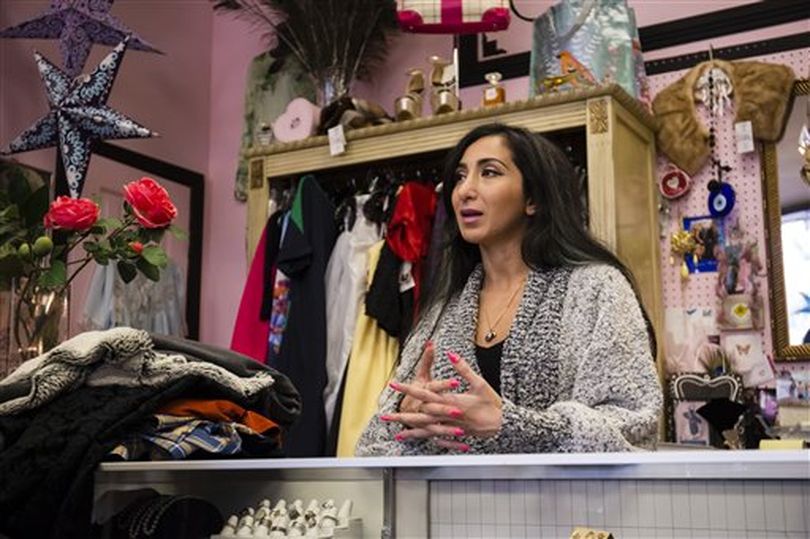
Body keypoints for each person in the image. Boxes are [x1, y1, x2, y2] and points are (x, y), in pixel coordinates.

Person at [355, 123, 662, 456]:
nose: (464, 191)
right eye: (460, 176)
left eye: (489, 172)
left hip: (573, 506)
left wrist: (512, 424)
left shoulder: (596, 289)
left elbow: (634, 426)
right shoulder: (443, 312)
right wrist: (409, 415)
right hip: (456, 506)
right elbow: (371, 444)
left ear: (533, 199)